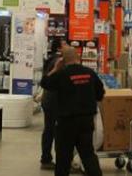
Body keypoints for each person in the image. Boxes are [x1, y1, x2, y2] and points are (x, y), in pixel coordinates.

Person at [40, 46, 105, 176]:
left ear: (62, 60)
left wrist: (55, 69)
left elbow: (44, 83)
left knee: (63, 157)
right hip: (86, 121)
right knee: (88, 155)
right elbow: (100, 94)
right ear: (78, 57)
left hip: (66, 122)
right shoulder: (90, 73)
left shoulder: (61, 74)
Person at [40, 39, 65, 170]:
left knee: (49, 130)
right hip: (54, 100)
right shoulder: (59, 61)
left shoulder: (50, 59)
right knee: (56, 131)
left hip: (48, 99)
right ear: (59, 48)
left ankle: (46, 158)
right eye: (65, 44)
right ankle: (53, 160)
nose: (67, 46)